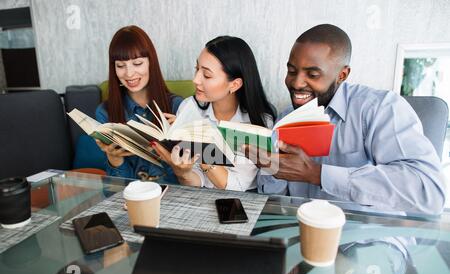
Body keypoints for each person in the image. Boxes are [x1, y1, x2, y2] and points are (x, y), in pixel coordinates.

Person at [244, 24, 446, 214]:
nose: (296, 83)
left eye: (312, 74)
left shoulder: (380, 108)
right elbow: (275, 199)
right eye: (291, 71)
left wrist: (316, 173)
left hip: (368, 237)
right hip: (302, 234)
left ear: (342, 75)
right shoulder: (286, 118)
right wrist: (272, 168)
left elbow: (429, 192)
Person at [152, 36, 276, 191]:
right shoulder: (189, 107)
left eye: (207, 75)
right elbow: (196, 180)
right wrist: (182, 172)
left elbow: (237, 184)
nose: (196, 80)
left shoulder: (258, 123)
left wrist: (199, 143)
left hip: (241, 202)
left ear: (235, 84)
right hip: (199, 197)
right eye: (197, 69)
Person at [95, 25, 183, 182]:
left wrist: (184, 141)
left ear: (151, 63)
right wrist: (114, 159)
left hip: (173, 198)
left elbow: (189, 178)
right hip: (130, 199)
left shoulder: (177, 107)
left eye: (137, 63)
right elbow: (115, 192)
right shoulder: (105, 112)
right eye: (121, 66)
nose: (129, 74)